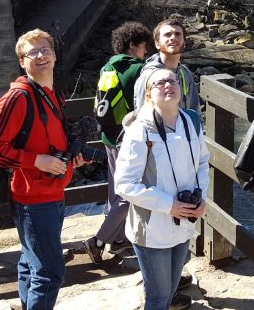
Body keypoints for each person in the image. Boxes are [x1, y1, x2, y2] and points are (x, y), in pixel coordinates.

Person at [0, 29, 89, 310]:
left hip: (51, 192)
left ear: (54, 55)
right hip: (33, 198)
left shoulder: (50, 92)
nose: (40, 55)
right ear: (22, 62)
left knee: (30, 261)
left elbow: (48, 137)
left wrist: (69, 158)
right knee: (50, 273)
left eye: (45, 49)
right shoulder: (18, 98)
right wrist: (36, 161)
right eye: (32, 52)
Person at [115, 68, 211, 310]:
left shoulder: (189, 122)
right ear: (148, 95)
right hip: (152, 229)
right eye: (159, 83)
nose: (168, 85)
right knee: (158, 298)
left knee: (169, 291)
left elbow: (202, 162)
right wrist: (169, 205)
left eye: (172, 80)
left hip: (184, 221)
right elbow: (124, 184)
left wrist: (201, 197)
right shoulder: (140, 130)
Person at [85, 22, 151, 268]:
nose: (146, 52)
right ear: (133, 45)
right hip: (129, 138)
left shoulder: (107, 66)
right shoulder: (138, 69)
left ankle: (118, 237)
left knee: (115, 189)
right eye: (144, 46)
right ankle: (100, 239)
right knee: (129, 191)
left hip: (109, 137)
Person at [136, 18, 202, 114]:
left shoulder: (185, 73)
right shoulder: (148, 75)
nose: (173, 38)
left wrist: (196, 128)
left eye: (177, 34)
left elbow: (195, 111)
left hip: (184, 128)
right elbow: (141, 115)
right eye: (167, 35)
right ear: (157, 44)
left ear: (184, 42)